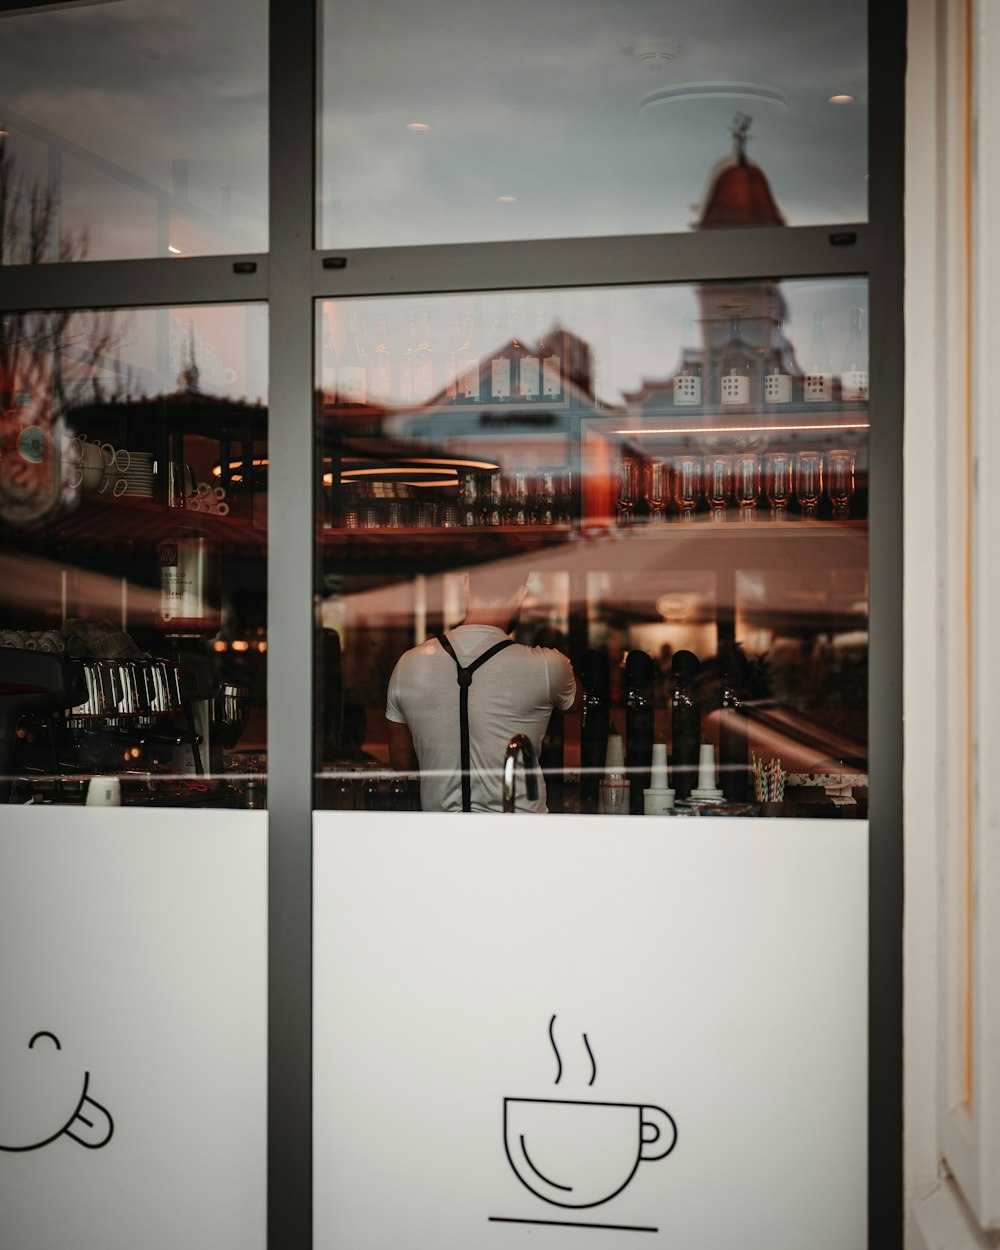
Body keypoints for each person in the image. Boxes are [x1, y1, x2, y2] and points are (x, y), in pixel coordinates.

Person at [386, 567, 580, 812]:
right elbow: (575, 703)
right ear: (521, 595)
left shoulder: (408, 664)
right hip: (520, 836)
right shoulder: (548, 665)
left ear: (466, 585)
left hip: (440, 837)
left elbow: (403, 764)